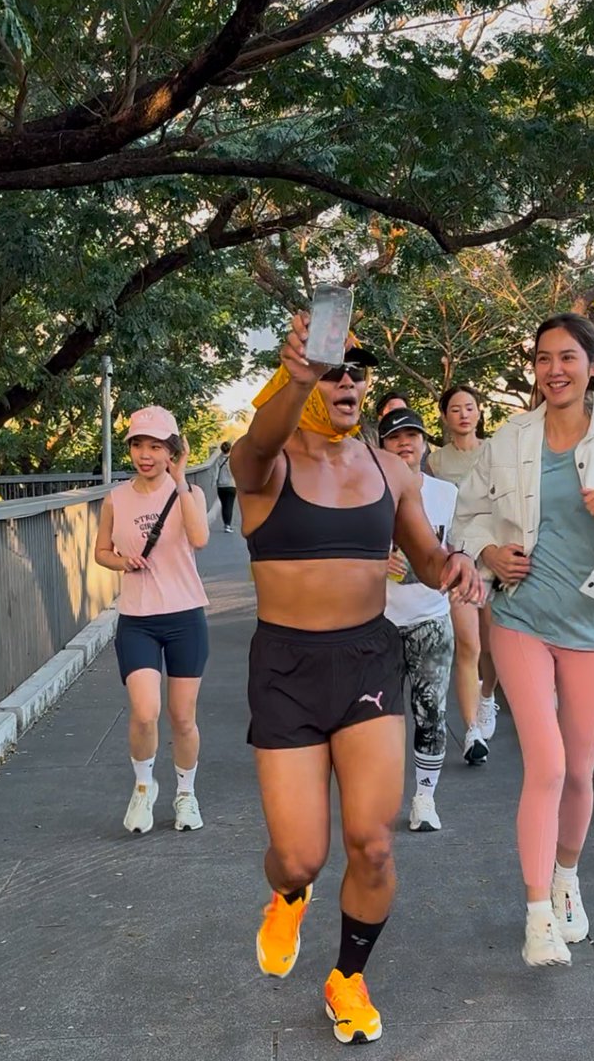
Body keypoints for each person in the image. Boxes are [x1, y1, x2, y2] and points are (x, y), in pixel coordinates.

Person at [231, 318, 484, 1045]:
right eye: (332, 369)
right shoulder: (265, 466)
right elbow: (257, 445)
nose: (347, 380)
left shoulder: (390, 471)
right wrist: (298, 377)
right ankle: (289, 895)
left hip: (368, 658)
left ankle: (346, 977)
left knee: (373, 843)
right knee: (299, 856)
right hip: (285, 668)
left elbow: (428, 559)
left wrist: (456, 565)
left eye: (356, 371)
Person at [453, 313, 594, 967]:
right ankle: (537, 917)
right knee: (545, 765)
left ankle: (566, 879)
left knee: (577, 770)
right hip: (522, 617)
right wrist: (489, 551)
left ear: (593, 365)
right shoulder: (512, 437)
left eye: (568, 357)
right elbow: (466, 513)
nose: (554, 370)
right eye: (544, 358)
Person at [94, 406, 210, 835]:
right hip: (138, 619)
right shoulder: (115, 499)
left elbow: (200, 539)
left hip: (185, 616)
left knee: (182, 717)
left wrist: (180, 482)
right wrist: (121, 562)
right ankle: (144, 788)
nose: (146, 455)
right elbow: (100, 552)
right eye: (138, 445)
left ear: (172, 451)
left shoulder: (189, 494)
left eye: (157, 446)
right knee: (145, 712)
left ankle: (186, 794)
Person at [379, 408, 458, 833]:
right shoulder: (365, 494)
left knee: (431, 712)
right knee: (379, 717)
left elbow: (462, 547)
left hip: (431, 619)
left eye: (412, 435)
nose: (405, 443)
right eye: (395, 437)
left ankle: (425, 798)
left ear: (425, 442)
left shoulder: (447, 493)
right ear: (382, 446)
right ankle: (380, 798)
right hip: (379, 622)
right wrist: (375, 562)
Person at [427, 385, 496, 764]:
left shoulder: (496, 452)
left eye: (470, 407)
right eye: (455, 409)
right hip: (458, 561)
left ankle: (487, 697)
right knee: (468, 646)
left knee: (493, 646)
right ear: (445, 416)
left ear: (479, 412)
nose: (464, 414)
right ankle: (472, 733)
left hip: (494, 558)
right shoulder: (436, 462)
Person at [217, 440, 237, 533]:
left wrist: (214, 483)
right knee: (229, 505)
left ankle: (226, 523)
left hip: (221, 486)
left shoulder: (218, 460)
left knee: (224, 505)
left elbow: (215, 473)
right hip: (231, 485)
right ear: (230, 449)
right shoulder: (234, 459)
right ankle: (227, 525)